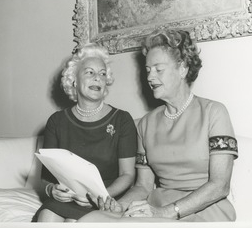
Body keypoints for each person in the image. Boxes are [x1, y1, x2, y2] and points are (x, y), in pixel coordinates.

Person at [78, 29, 239, 222]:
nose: (150, 77)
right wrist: (119, 206)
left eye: (158, 69)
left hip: (205, 209)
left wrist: (167, 212)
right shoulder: (145, 124)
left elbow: (220, 185)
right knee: (91, 220)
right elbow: (143, 187)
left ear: (183, 68)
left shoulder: (215, 112)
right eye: (148, 70)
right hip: (158, 205)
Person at [33, 43, 137, 222]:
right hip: (68, 199)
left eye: (102, 74)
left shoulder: (122, 120)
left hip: (106, 200)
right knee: (47, 217)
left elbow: (127, 175)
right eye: (89, 72)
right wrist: (52, 190)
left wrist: (99, 197)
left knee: (74, 222)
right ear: (74, 79)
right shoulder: (56, 121)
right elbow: (46, 178)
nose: (98, 78)